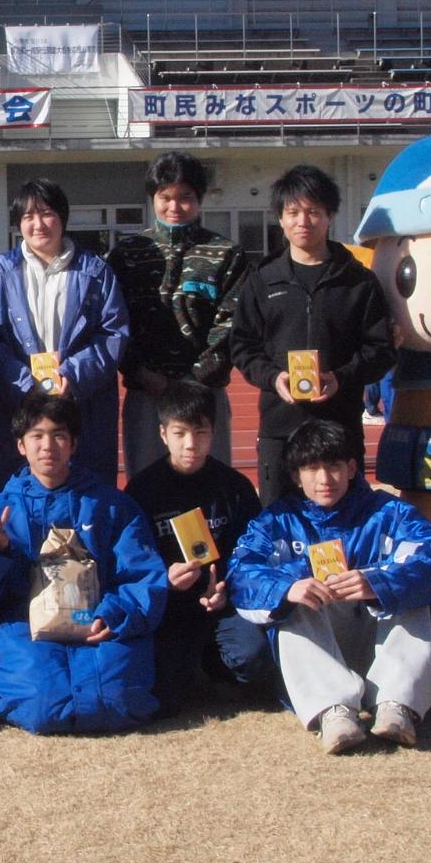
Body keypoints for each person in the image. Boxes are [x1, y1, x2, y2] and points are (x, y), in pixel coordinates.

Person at [225, 420, 431, 754]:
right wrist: (288, 588)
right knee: (292, 599)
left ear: (352, 468)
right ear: (296, 476)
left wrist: (379, 582)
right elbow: (241, 573)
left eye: (334, 467)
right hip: (322, 646)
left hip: (380, 640)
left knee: (415, 593)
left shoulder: (390, 513)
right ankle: (333, 711)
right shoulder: (274, 522)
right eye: (311, 469)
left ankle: (396, 705)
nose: (325, 480)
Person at [0, 394, 170, 736]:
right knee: (44, 700)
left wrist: (113, 614)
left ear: (74, 443)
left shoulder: (112, 506)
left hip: (95, 621)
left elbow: (143, 575)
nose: (48, 445)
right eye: (37, 436)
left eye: (59, 435)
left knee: (116, 694)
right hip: (23, 627)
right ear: (20, 445)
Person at [227, 164, 393, 505]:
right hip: (280, 427)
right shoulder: (262, 279)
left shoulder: (358, 282)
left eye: (313, 212)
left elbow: (382, 349)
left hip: (340, 424)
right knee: (279, 523)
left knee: (343, 521)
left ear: (329, 216)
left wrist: (341, 378)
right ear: (280, 218)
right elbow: (243, 346)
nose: (303, 221)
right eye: (293, 212)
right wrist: (273, 378)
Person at [122, 381, 273, 717]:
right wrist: (164, 579)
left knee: (255, 661)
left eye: (200, 432)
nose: (191, 444)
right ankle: (188, 663)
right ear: (163, 434)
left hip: (223, 605)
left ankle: (211, 661)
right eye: (180, 433)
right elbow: (130, 560)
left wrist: (227, 588)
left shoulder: (235, 488)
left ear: (213, 432)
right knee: (159, 686)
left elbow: (254, 554)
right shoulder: (142, 490)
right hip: (167, 605)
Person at [107, 153, 251, 475]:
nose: (174, 207)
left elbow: (231, 324)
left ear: (199, 199)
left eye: (185, 197)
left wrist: (193, 380)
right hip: (146, 395)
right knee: (147, 486)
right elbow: (114, 322)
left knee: (209, 485)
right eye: (165, 197)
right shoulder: (127, 254)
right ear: (153, 198)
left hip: (204, 394)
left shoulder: (226, 254)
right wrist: (143, 373)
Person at [0, 177, 128, 483]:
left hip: (84, 404)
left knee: (88, 492)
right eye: (28, 216)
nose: (38, 224)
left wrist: (72, 375)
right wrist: (24, 382)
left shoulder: (95, 272)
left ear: (62, 218)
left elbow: (114, 333)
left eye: (47, 214)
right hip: (21, 403)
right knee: (23, 493)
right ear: (18, 223)